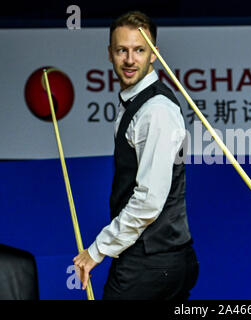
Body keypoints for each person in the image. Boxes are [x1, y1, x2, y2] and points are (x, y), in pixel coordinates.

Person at [73, 11, 199, 300]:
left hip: (151, 263)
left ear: (153, 54)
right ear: (110, 54)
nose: (130, 60)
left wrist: (97, 250)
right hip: (160, 258)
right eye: (122, 50)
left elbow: (149, 200)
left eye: (139, 50)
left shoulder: (156, 111)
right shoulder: (135, 102)